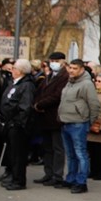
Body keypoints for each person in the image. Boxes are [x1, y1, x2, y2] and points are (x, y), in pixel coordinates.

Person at [55, 59, 98, 194]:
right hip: (66, 122)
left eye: (74, 68)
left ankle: (81, 181)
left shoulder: (86, 84)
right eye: (70, 68)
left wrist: (88, 121)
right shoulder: (70, 82)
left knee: (81, 154)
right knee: (70, 154)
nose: (71, 70)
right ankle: (71, 178)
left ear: (81, 69)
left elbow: (94, 105)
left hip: (78, 123)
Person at [0, 59, 36, 190]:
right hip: (8, 122)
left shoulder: (27, 86)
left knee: (18, 155)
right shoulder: (14, 83)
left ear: (20, 71)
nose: (11, 70)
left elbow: (25, 107)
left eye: (14, 68)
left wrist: (17, 122)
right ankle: (13, 177)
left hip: (17, 125)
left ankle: (19, 180)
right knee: (12, 153)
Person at [32, 52, 69, 185]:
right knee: (47, 147)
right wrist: (36, 104)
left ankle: (57, 175)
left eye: (56, 60)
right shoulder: (49, 76)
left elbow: (57, 95)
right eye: (52, 60)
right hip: (44, 117)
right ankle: (48, 173)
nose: (54, 63)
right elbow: (40, 91)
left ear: (63, 62)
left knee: (58, 148)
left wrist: (40, 104)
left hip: (56, 117)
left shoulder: (65, 76)